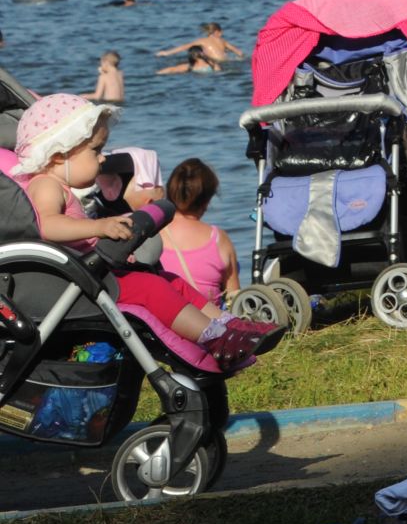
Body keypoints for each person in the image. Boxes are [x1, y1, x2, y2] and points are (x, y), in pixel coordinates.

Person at [11, 95, 278, 366]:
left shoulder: (59, 186)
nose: (103, 158)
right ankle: (214, 338)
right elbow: (48, 225)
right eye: (96, 150)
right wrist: (99, 226)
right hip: (77, 285)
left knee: (170, 280)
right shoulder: (45, 185)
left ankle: (230, 325)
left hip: (89, 275)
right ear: (58, 156)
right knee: (150, 287)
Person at [158, 158, 240, 305]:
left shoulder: (153, 234)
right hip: (207, 324)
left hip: (160, 322)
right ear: (207, 201)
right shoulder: (218, 239)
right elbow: (234, 299)